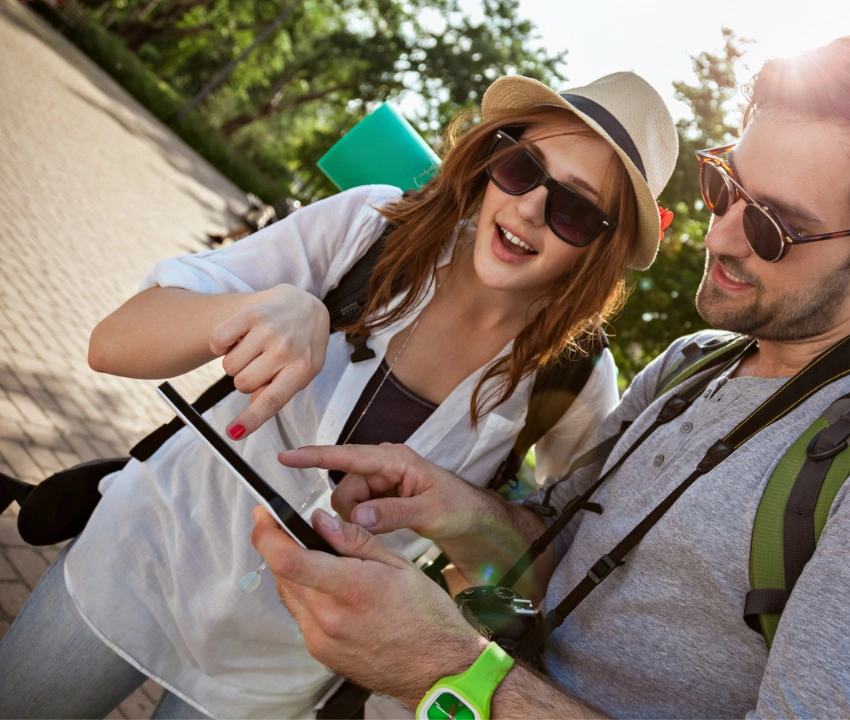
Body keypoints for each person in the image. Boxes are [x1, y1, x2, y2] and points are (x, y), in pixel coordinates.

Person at [250, 32, 850, 719]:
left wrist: (444, 665)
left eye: (772, 226)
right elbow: (554, 559)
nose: (720, 236)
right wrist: (450, 505)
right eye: (723, 187)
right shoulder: (691, 364)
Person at [0, 71, 678, 718]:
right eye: (523, 168)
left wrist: (463, 518)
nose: (529, 206)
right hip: (143, 555)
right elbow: (113, 341)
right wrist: (270, 305)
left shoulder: (575, 381)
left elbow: (537, 577)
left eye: (575, 210)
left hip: (279, 671)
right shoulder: (366, 229)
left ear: (602, 249)